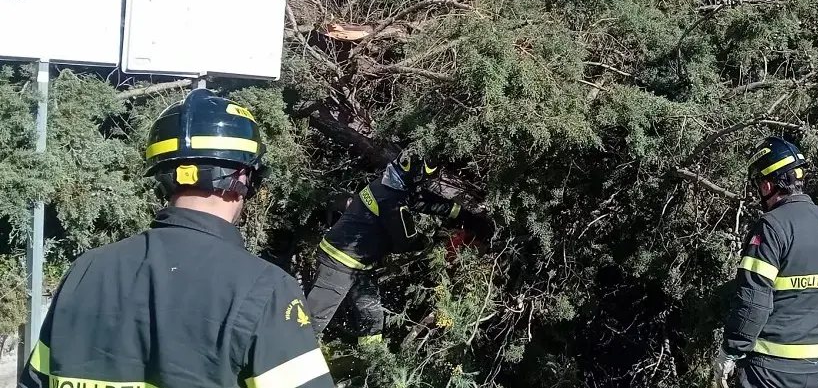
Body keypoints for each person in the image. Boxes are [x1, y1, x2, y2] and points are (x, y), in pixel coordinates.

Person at [19, 89, 334, 388]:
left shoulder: (85, 271)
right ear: (243, 175)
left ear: (162, 174)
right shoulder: (266, 289)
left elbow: (37, 380)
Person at [306, 153, 493, 341]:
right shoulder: (393, 204)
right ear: (416, 176)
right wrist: (431, 241)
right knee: (314, 320)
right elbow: (405, 242)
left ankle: (373, 359)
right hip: (338, 263)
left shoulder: (386, 186)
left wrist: (460, 213)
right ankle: (287, 356)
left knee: (372, 320)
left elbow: (419, 202)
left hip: (360, 267)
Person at [712, 137, 818, 388]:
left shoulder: (771, 227)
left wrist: (731, 351)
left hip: (771, 371)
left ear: (767, 185)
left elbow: (753, 298)